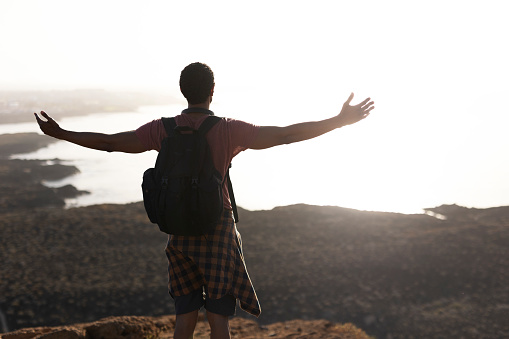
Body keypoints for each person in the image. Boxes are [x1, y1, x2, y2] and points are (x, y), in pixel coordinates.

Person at [35, 62, 374, 339]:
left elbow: (112, 142)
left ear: (183, 91)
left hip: (178, 232)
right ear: (212, 92)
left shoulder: (162, 129)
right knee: (218, 321)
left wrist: (61, 133)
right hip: (217, 230)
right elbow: (285, 135)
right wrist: (339, 121)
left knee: (184, 319)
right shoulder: (227, 129)